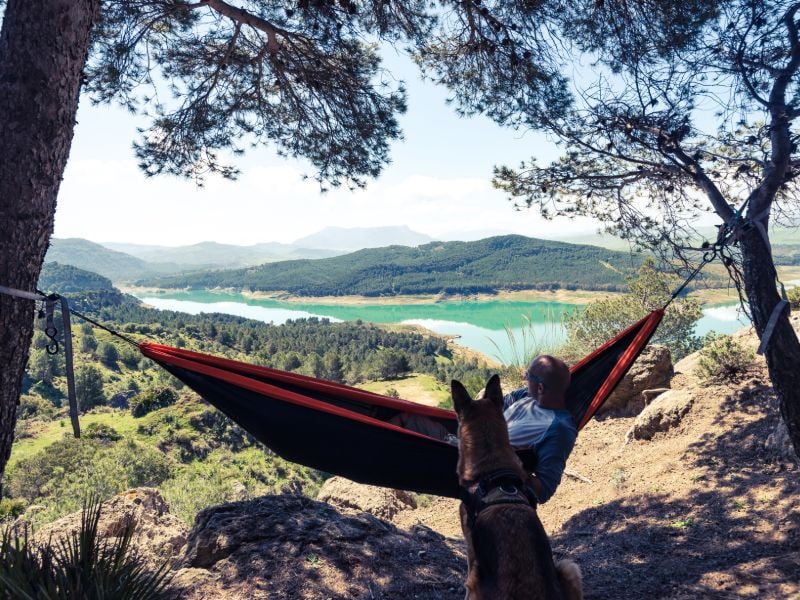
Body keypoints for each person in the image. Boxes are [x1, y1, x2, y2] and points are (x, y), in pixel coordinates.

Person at [502, 355, 577, 504]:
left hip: (474, 463)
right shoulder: (527, 396)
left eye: (528, 376)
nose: (525, 378)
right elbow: (502, 401)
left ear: (541, 388)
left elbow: (544, 490)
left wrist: (508, 466)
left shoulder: (558, 428)